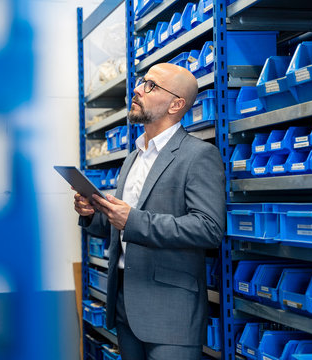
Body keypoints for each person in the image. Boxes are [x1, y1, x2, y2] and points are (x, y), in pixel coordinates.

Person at [74, 63, 226, 360]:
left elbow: (208, 229)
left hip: (170, 313)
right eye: (141, 82)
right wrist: (93, 214)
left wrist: (133, 220)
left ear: (176, 104)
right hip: (125, 306)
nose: (137, 89)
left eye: (150, 86)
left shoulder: (199, 156)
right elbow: (121, 227)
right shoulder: (133, 157)